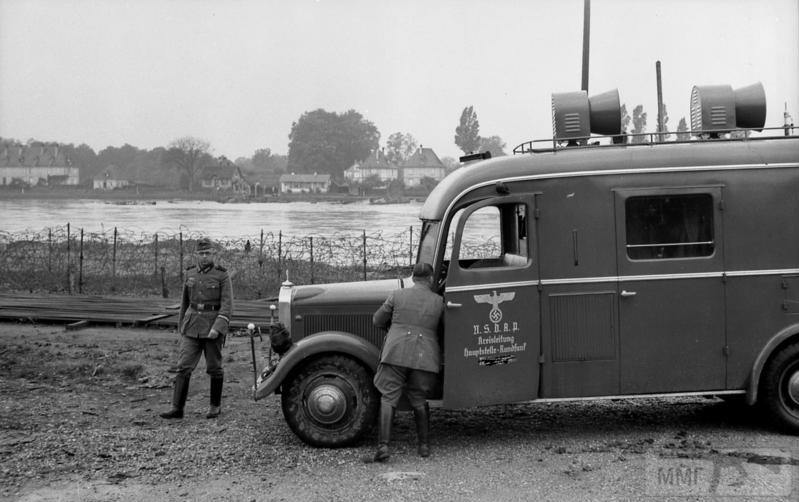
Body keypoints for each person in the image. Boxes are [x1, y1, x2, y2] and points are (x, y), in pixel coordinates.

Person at [370, 262, 444, 462]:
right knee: (419, 399)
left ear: (412, 278)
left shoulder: (397, 295)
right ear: (430, 279)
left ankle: (384, 446)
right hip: (425, 357)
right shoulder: (438, 301)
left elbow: (377, 320)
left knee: (388, 396)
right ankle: (424, 446)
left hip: (396, 352)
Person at [160, 237, 233, 420]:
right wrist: (181, 325)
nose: (204, 256)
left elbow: (227, 306)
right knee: (183, 367)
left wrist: (218, 327)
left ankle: (215, 407)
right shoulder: (190, 274)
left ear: (213, 254)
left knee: (214, 368)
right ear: (196, 255)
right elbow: (185, 302)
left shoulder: (222, 275)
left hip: (212, 326)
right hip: (191, 326)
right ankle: (177, 409)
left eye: (208, 253)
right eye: (201, 253)